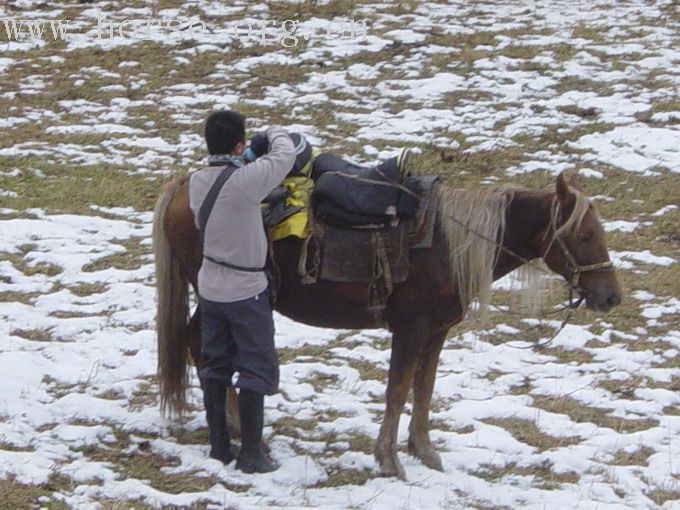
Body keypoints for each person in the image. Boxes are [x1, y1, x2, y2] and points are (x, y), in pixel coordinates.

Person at [188, 110, 296, 473]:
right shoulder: (248, 181)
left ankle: (219, 446)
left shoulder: (197, 182)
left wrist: (247, 155)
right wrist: (274, 131)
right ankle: (251, 453)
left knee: (215, 365)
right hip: (246, 290)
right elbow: (286, 156)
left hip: (210, 287)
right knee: (254, 368)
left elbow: (229, 174)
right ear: (237, 144)